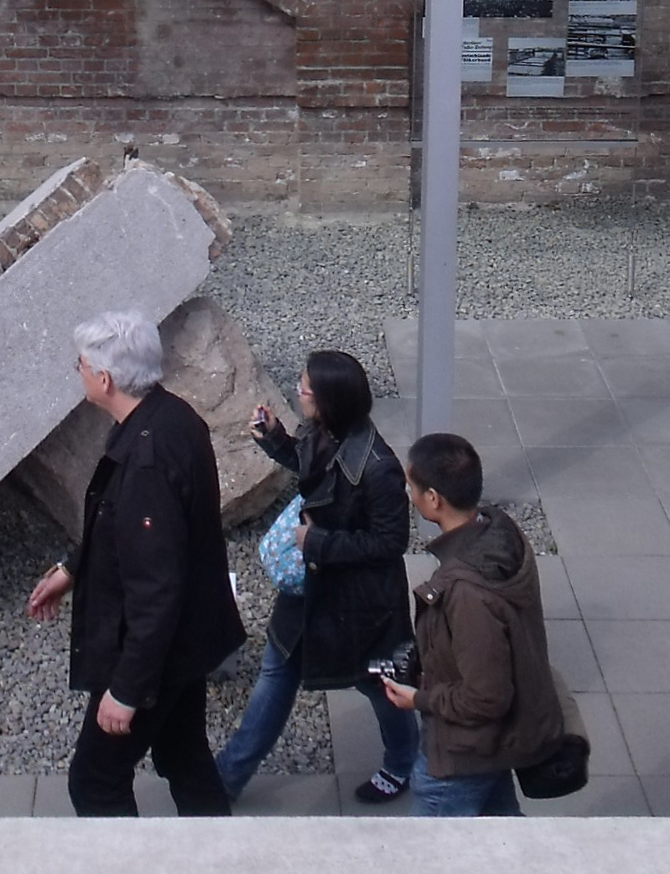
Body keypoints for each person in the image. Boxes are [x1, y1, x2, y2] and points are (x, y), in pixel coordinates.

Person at [26, 309, 244, 816]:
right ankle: (223, 856)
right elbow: (125, 526)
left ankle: (134, 870)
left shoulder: (145, 461)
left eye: (81, 364)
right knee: (184, 756)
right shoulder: (173, 417)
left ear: (104, 379)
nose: (77, 371)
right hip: (190, 636)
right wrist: (73, 569)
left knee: (95, 781)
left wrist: (126, 690)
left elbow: (156, 588)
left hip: (160, 652)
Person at [215, 349, 418, 807]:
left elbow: (391, 542)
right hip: (314, 586)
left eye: (305, 387)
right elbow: (311, 469)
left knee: (379, 683)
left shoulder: (379, 467)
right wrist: (275, 439)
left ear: (328, 401)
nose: (298, 391)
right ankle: (226, 777)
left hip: (359, 604)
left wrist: (319, 543)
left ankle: (403, 763)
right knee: (277, 671)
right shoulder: (323, 432)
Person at [380, 432, 560, 816]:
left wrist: (419, 699)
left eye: (412, 487)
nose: (408, 494)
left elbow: (486, 697)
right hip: (492, 746)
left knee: (425, 853)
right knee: (501, 838)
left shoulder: (466, 593)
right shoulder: (500, 532)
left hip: (461, 756)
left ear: (433, 499)